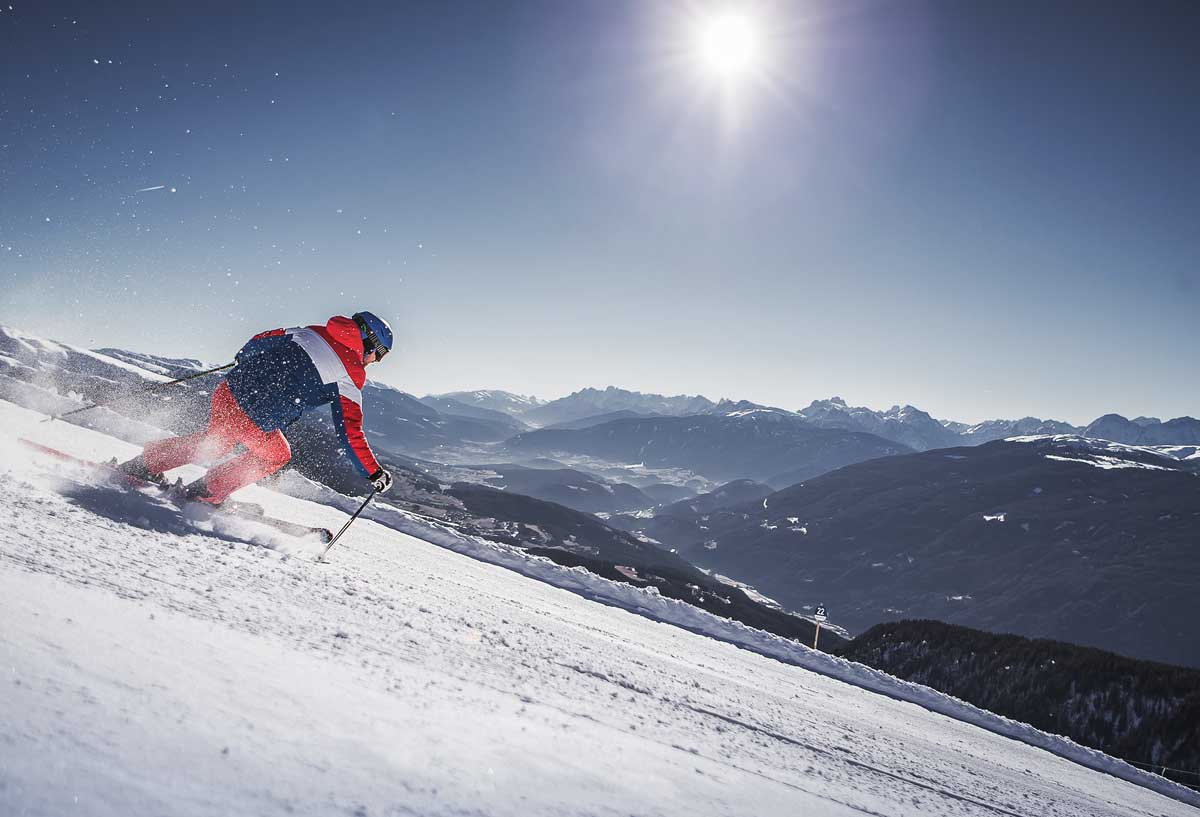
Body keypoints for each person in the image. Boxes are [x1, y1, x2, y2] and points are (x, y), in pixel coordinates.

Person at [120, 312, 394, 505]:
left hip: (229, 390)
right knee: (276, 455)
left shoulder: (312, 331)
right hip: (254, 416)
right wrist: (373, 472)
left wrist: (244, 359)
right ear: (369, 342)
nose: (375, 362)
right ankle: (206, 491)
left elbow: (262, 339)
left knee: (215, 443)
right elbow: (350, 432)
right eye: (378, 355)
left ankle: (145, 464)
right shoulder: (350, 375)